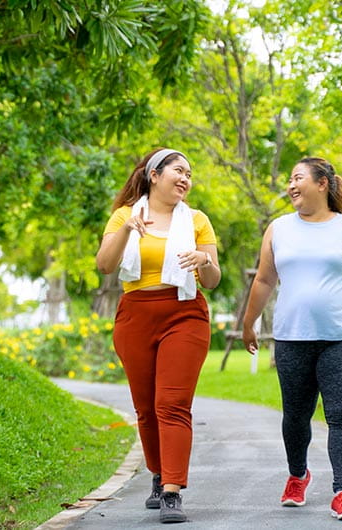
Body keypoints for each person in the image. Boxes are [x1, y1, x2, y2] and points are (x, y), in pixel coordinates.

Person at [241, 156, 342, 521]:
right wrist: (249, 323)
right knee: (296, 415)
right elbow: (263, 280)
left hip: (341, 336)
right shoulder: (279, 229)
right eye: (289, 181)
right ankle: (298, 475)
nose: (291, 186)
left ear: (322, 183)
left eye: (297, 178)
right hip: (292, 337)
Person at [96, 148, 221, 524]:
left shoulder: (197, 220)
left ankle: (172, 490)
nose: (185, 179)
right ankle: (157, 473)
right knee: (146, 408)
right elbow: (104, 266)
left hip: (185, 313)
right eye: (178, 171)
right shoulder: (125, 216)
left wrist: (206, 262)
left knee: (172, 403)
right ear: (154, 175)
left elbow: (213, 281)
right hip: (136, 315)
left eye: (189, 174)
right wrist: (126, 231)